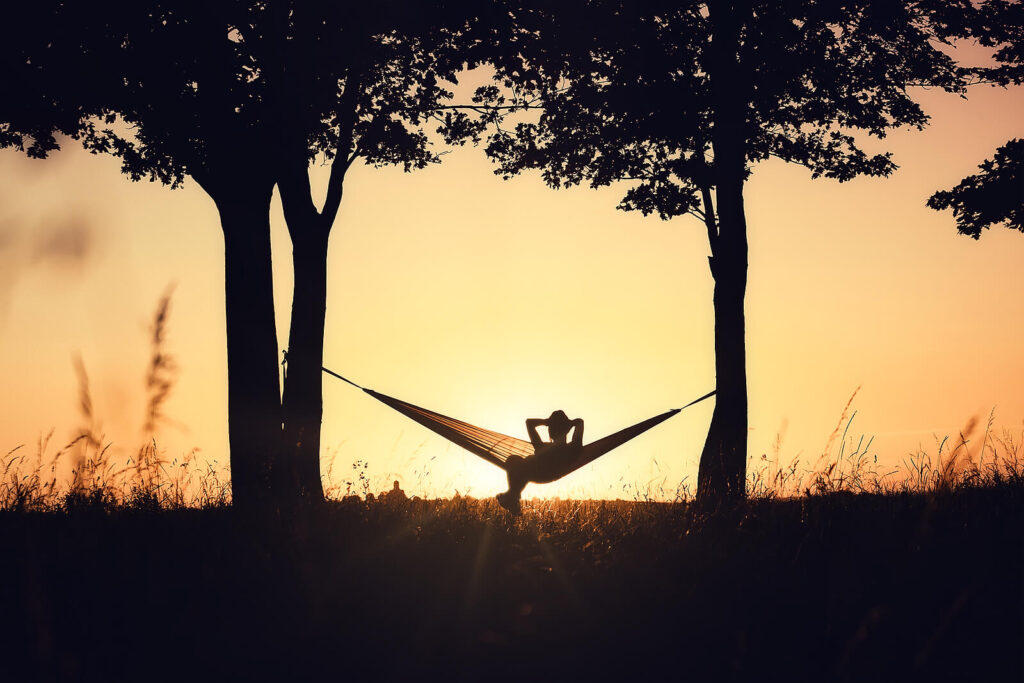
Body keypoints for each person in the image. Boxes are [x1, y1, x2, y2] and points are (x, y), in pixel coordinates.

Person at [496, 410, 584, 513]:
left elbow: (529, 422)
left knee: (513, 460)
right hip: (544, 474)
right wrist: (570, 423)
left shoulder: (542, 448)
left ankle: (512, 497)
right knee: (518, 463)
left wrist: (547, 422)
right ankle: (512, 497)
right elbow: (579, 422)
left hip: (535, 473)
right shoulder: (573, 448)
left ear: (550, 431)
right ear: (567, 429)